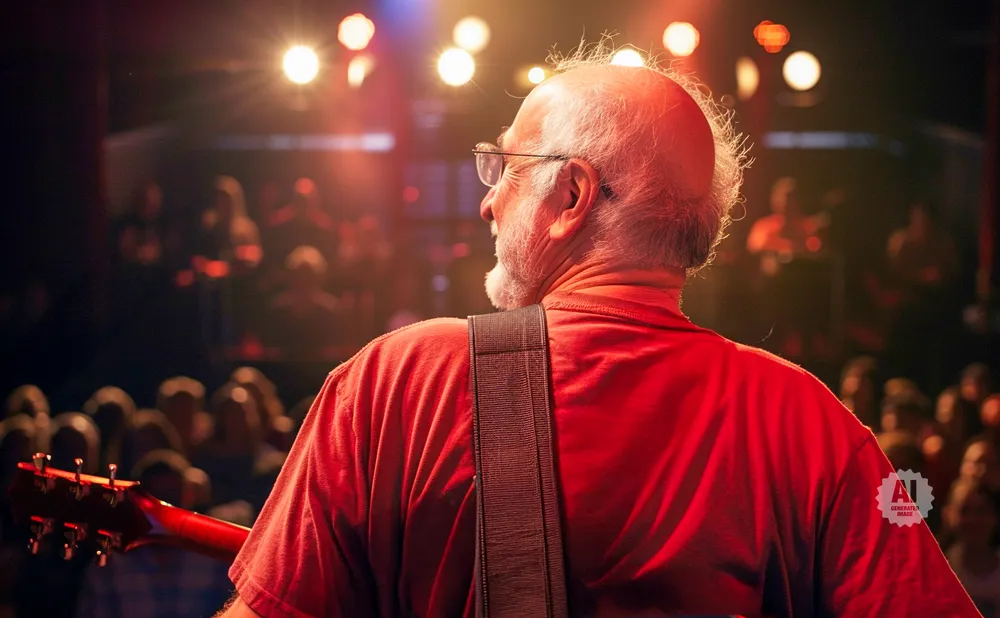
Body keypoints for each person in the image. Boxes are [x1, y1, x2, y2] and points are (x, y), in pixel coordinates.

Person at [218, 42, 979, 617]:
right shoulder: (809, 423)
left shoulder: (396, 384)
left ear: (572, 193)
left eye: (504, 169)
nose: (487, 204)